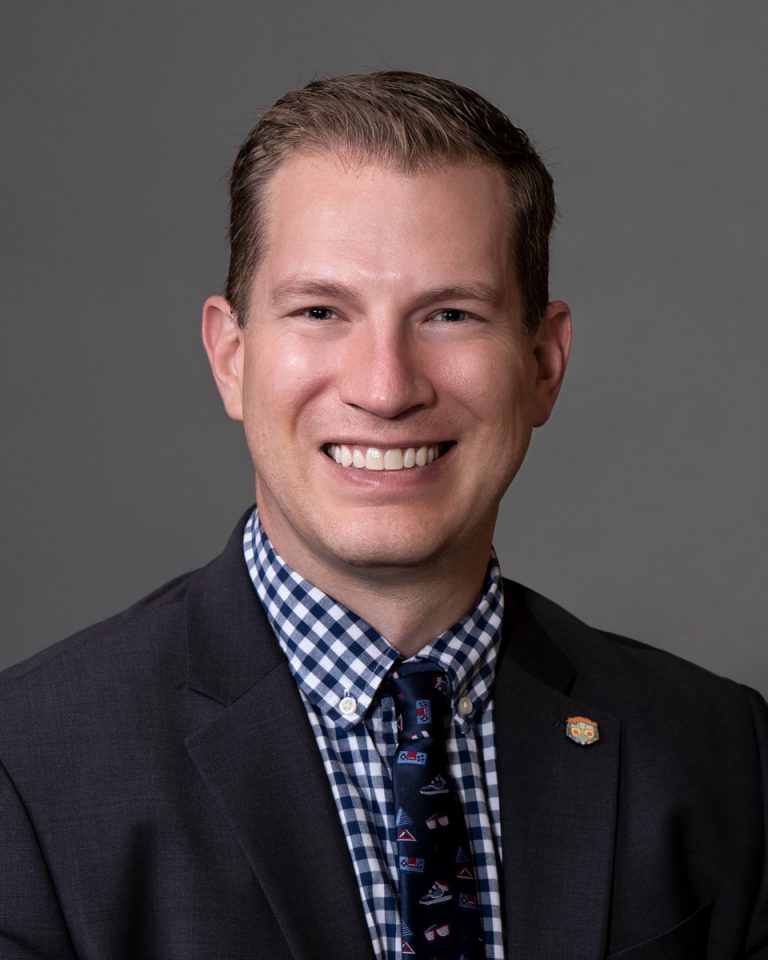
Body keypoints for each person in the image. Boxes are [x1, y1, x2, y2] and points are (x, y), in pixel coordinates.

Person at [0, 71, 765, 960]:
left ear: (543, 364)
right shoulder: (27, 770)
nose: (386, 387)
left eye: (450, 313)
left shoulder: (722, 754)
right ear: (231, 358)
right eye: (321, 311)